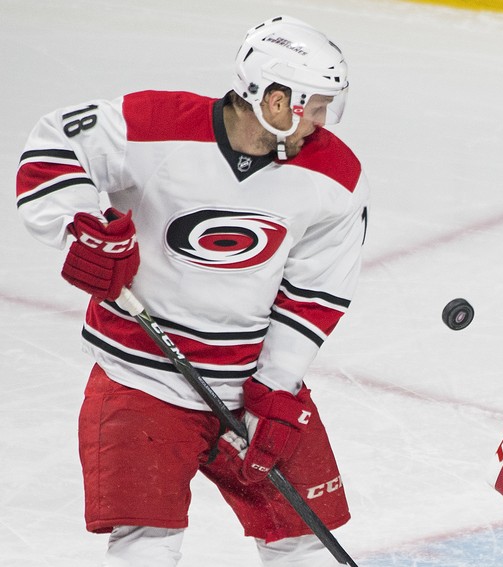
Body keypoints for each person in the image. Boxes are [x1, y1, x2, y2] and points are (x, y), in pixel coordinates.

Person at [15, 15, 368, 567]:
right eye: (316, 105)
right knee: (147, 547)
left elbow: (317, 292)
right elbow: (54, 142)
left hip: (250, 386)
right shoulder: (154, 123)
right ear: (277, 101)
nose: (323, 122)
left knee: (301, 540)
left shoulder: (335, 175)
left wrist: (275, 386)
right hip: (140, 375)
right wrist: (81, 228)